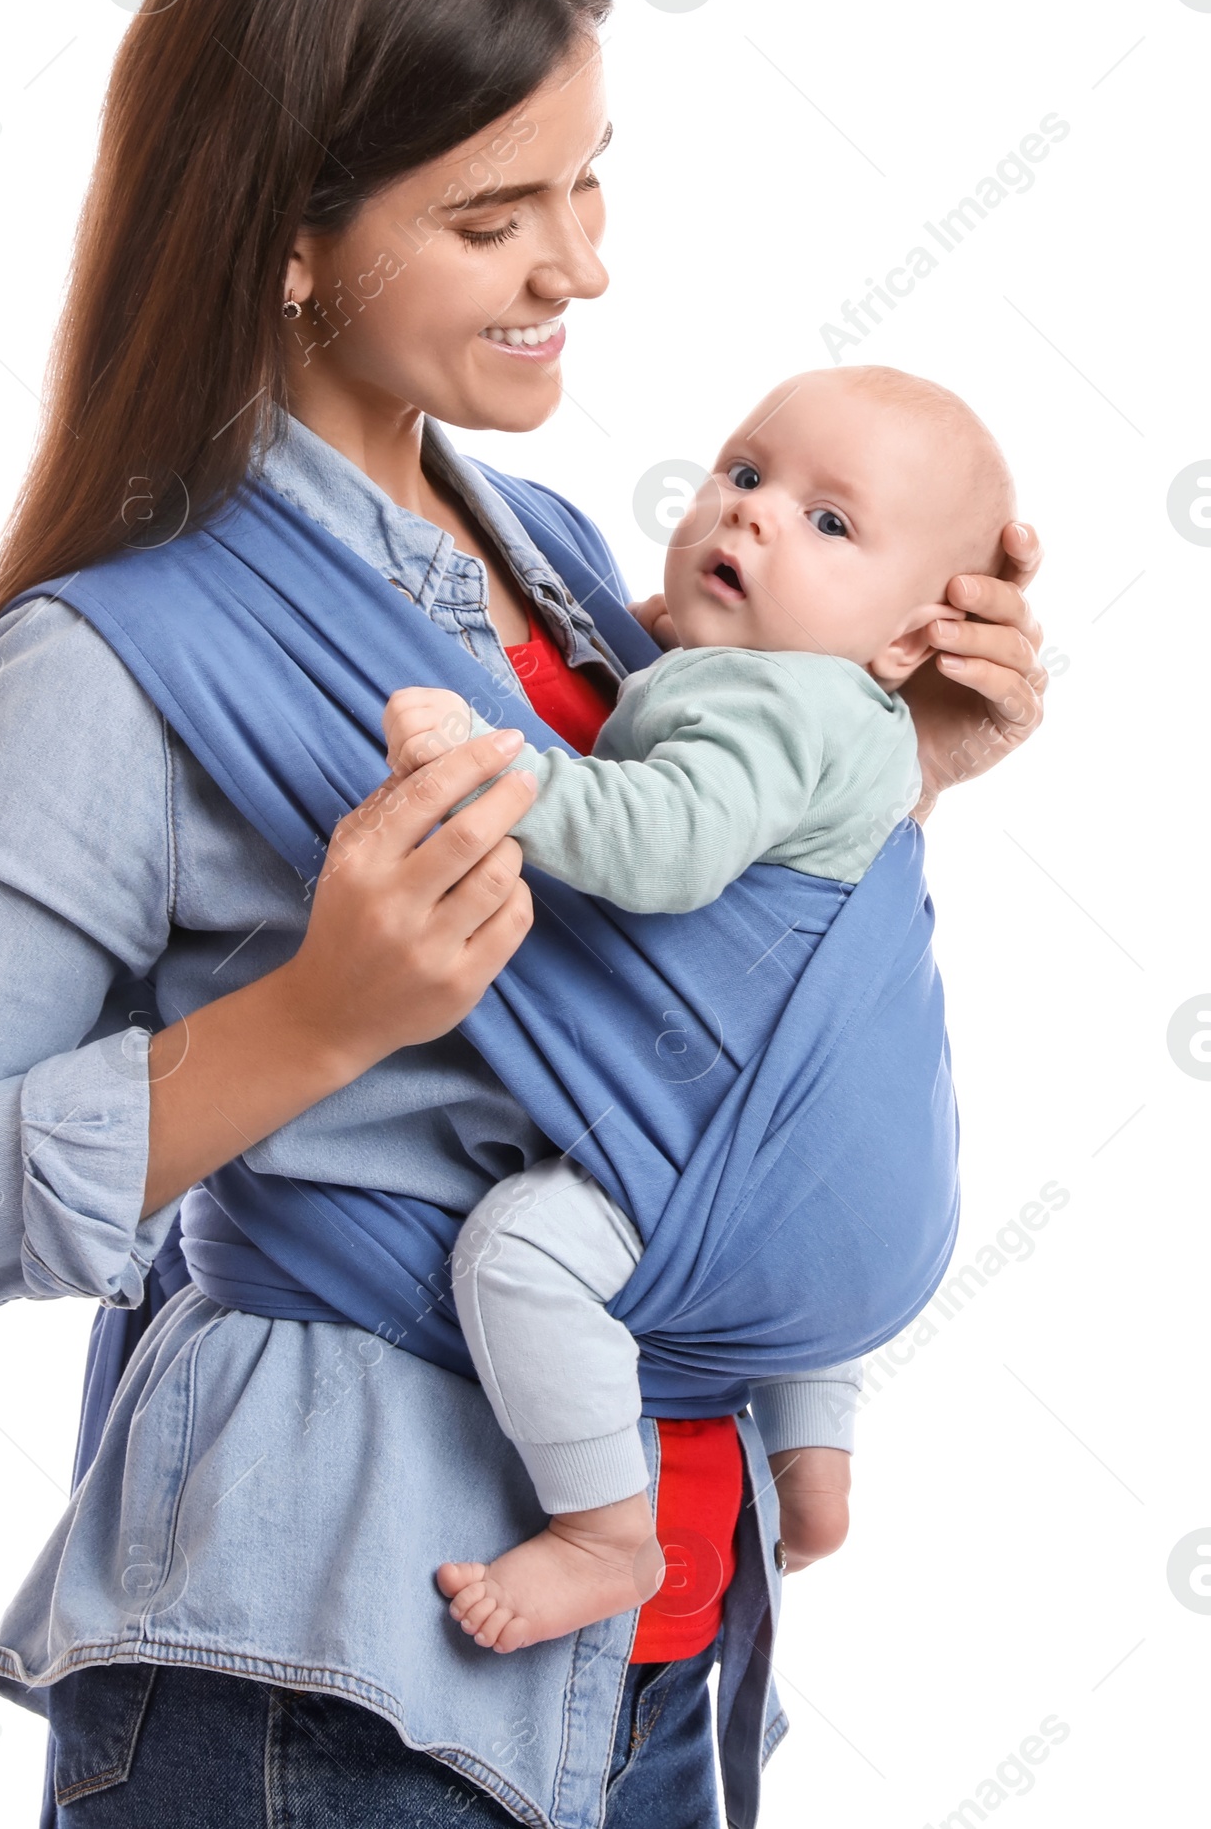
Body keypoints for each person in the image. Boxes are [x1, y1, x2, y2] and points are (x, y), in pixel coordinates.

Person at [0, 0, 1046, 1829]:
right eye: (491, 215)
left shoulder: (550, 568)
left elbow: (663, 992)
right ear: (291, 236)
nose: (584, 264)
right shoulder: (111, 663)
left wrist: (902, 764)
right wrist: (312, 1019)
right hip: (341, 1674)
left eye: (588, 176)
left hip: (658, 1657)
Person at [381, 365, 1014, 1653]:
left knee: (520, 1252)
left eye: (832, 524)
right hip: (858, 1191)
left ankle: (606, 1533)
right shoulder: (852, 714)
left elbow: (660, 847)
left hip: (747, 1166)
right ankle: (814, 1465)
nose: (756, 516)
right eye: (744, 472)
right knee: (780, 1175)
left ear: (906, 643)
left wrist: (485, 772)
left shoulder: (776, 697)